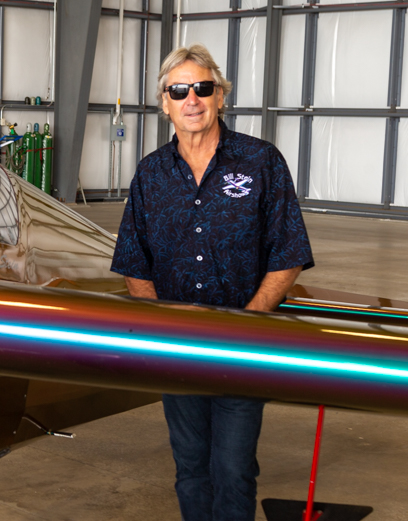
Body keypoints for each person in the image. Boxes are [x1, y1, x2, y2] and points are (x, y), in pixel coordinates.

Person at [110, 44, 314, 521]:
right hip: (177, 352)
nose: (192, 99)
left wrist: (253, 319)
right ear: (165, 103)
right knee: (191, 467)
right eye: (179, 91)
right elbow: (135, 263)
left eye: (203, 88)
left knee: (234, 468)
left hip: (243, 349)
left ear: (221, 95)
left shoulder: (260, 162)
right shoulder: (150, 174)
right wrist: (162, 326)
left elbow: (288, 251)